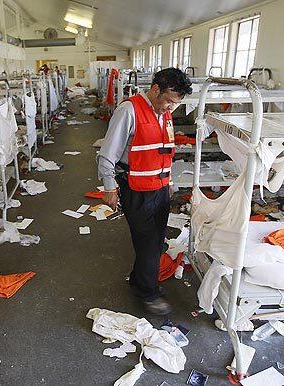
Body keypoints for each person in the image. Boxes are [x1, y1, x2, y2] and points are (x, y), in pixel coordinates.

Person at [97, 68, 192, 315]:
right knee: (150, 243)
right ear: (155, 89)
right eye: (169, 101)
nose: (171, 108)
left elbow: (163, 151)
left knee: (155, 239)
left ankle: (139, 279)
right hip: (136, 189)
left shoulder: (165, 114)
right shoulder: (129, 110)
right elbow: (108, 153)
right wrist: (109, 187)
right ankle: (148, 293)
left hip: (159, 188)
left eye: (176, 104)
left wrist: (169, 184)